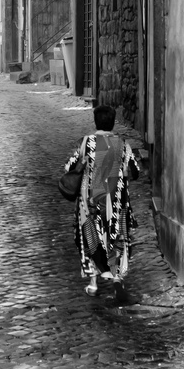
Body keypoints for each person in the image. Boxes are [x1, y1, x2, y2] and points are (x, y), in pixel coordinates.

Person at [63, 103, 140, 296]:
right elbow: (136, 171)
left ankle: (94, 283)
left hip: (91, 202)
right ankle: (116, 278)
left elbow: (69, 167)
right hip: (116, 200)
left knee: (90, 238)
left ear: (95, 121)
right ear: (113, 123)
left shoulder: (86, 143)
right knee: (117, 237)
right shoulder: (122, 144)